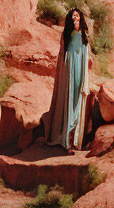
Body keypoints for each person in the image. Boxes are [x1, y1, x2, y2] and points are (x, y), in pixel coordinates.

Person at [45, 8, 93, 152]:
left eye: (77, 16)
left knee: (78, 97)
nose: (75, 19)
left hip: (80, 67)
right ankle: (67, 142)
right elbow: (62, 54)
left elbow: (86, 53)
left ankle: (75, 139)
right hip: (69, 68)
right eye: (72, 17)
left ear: (81, 18)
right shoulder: (66, 34)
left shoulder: (84, 34)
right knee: (69, 99)